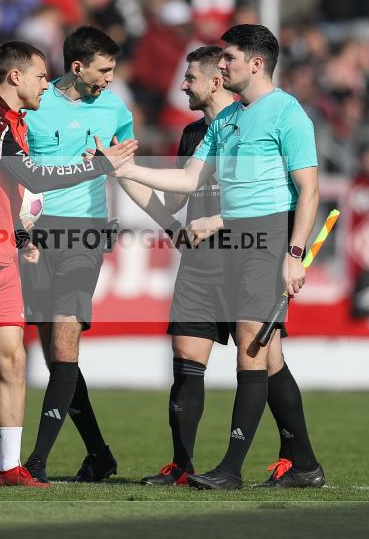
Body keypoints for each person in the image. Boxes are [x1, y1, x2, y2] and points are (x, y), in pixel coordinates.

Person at [0, 41, 136, 487]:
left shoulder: (15, 122)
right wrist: (97, 166)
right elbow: (30, 176)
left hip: (0, 254)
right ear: (15, 77)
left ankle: (10, 468)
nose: (44, 84)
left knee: (14, 360)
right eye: (38, 76)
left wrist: (22, 235)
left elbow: (10, 191)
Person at [115, 24, 324, 490]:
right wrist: (125, 169)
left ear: (255, 63)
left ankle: (231, 469)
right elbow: (189, 182)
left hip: (268, 241)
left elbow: (308, 190)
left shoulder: (288, 114)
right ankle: (302, 465)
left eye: (228, 57)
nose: (221, 64)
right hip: (228, 251)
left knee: (253, 354)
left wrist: (294, 252)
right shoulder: (226, 122)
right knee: (261, 358)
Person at [20, 25, 157, 484]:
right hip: (38, 237)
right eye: (104, 70)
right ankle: (99, 455)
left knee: (63, 344)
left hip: (85, 235)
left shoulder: (115, 109)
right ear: (76, 68)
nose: (110, 79)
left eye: (113, 69)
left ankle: (35, 462)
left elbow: (126, 169)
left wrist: (168, 216)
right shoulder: (35, 105)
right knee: (58, 357)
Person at [137, 45, 233, 485]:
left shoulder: (251, 129)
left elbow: (270, 198)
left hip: (247, 263)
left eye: (190, 78)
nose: (182, 85)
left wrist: (220, 220)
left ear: (216, 80)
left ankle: (298, 460)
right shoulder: (192, 134)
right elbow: (177, 197)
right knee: (186, 363)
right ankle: (182, 465)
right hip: (199, 267)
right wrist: (127, 170)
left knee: (265, 367)